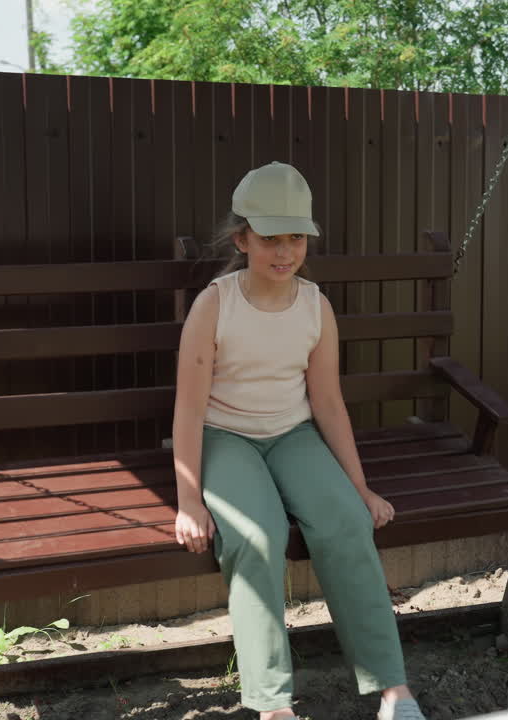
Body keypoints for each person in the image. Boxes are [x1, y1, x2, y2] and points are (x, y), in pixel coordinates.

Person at [171, 161, 427, 720]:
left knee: (347, 522)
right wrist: (190, 501)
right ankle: (272, 705)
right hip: (225, 436)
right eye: (269, 239)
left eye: (295, 238)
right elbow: (189, 407)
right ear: (242, 238)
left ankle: (393, 690)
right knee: (256, 537)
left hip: (293, 434)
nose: (283, 251)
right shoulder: (215, 304)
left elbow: (328, 402)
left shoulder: (315, 306)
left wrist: (359, 488)